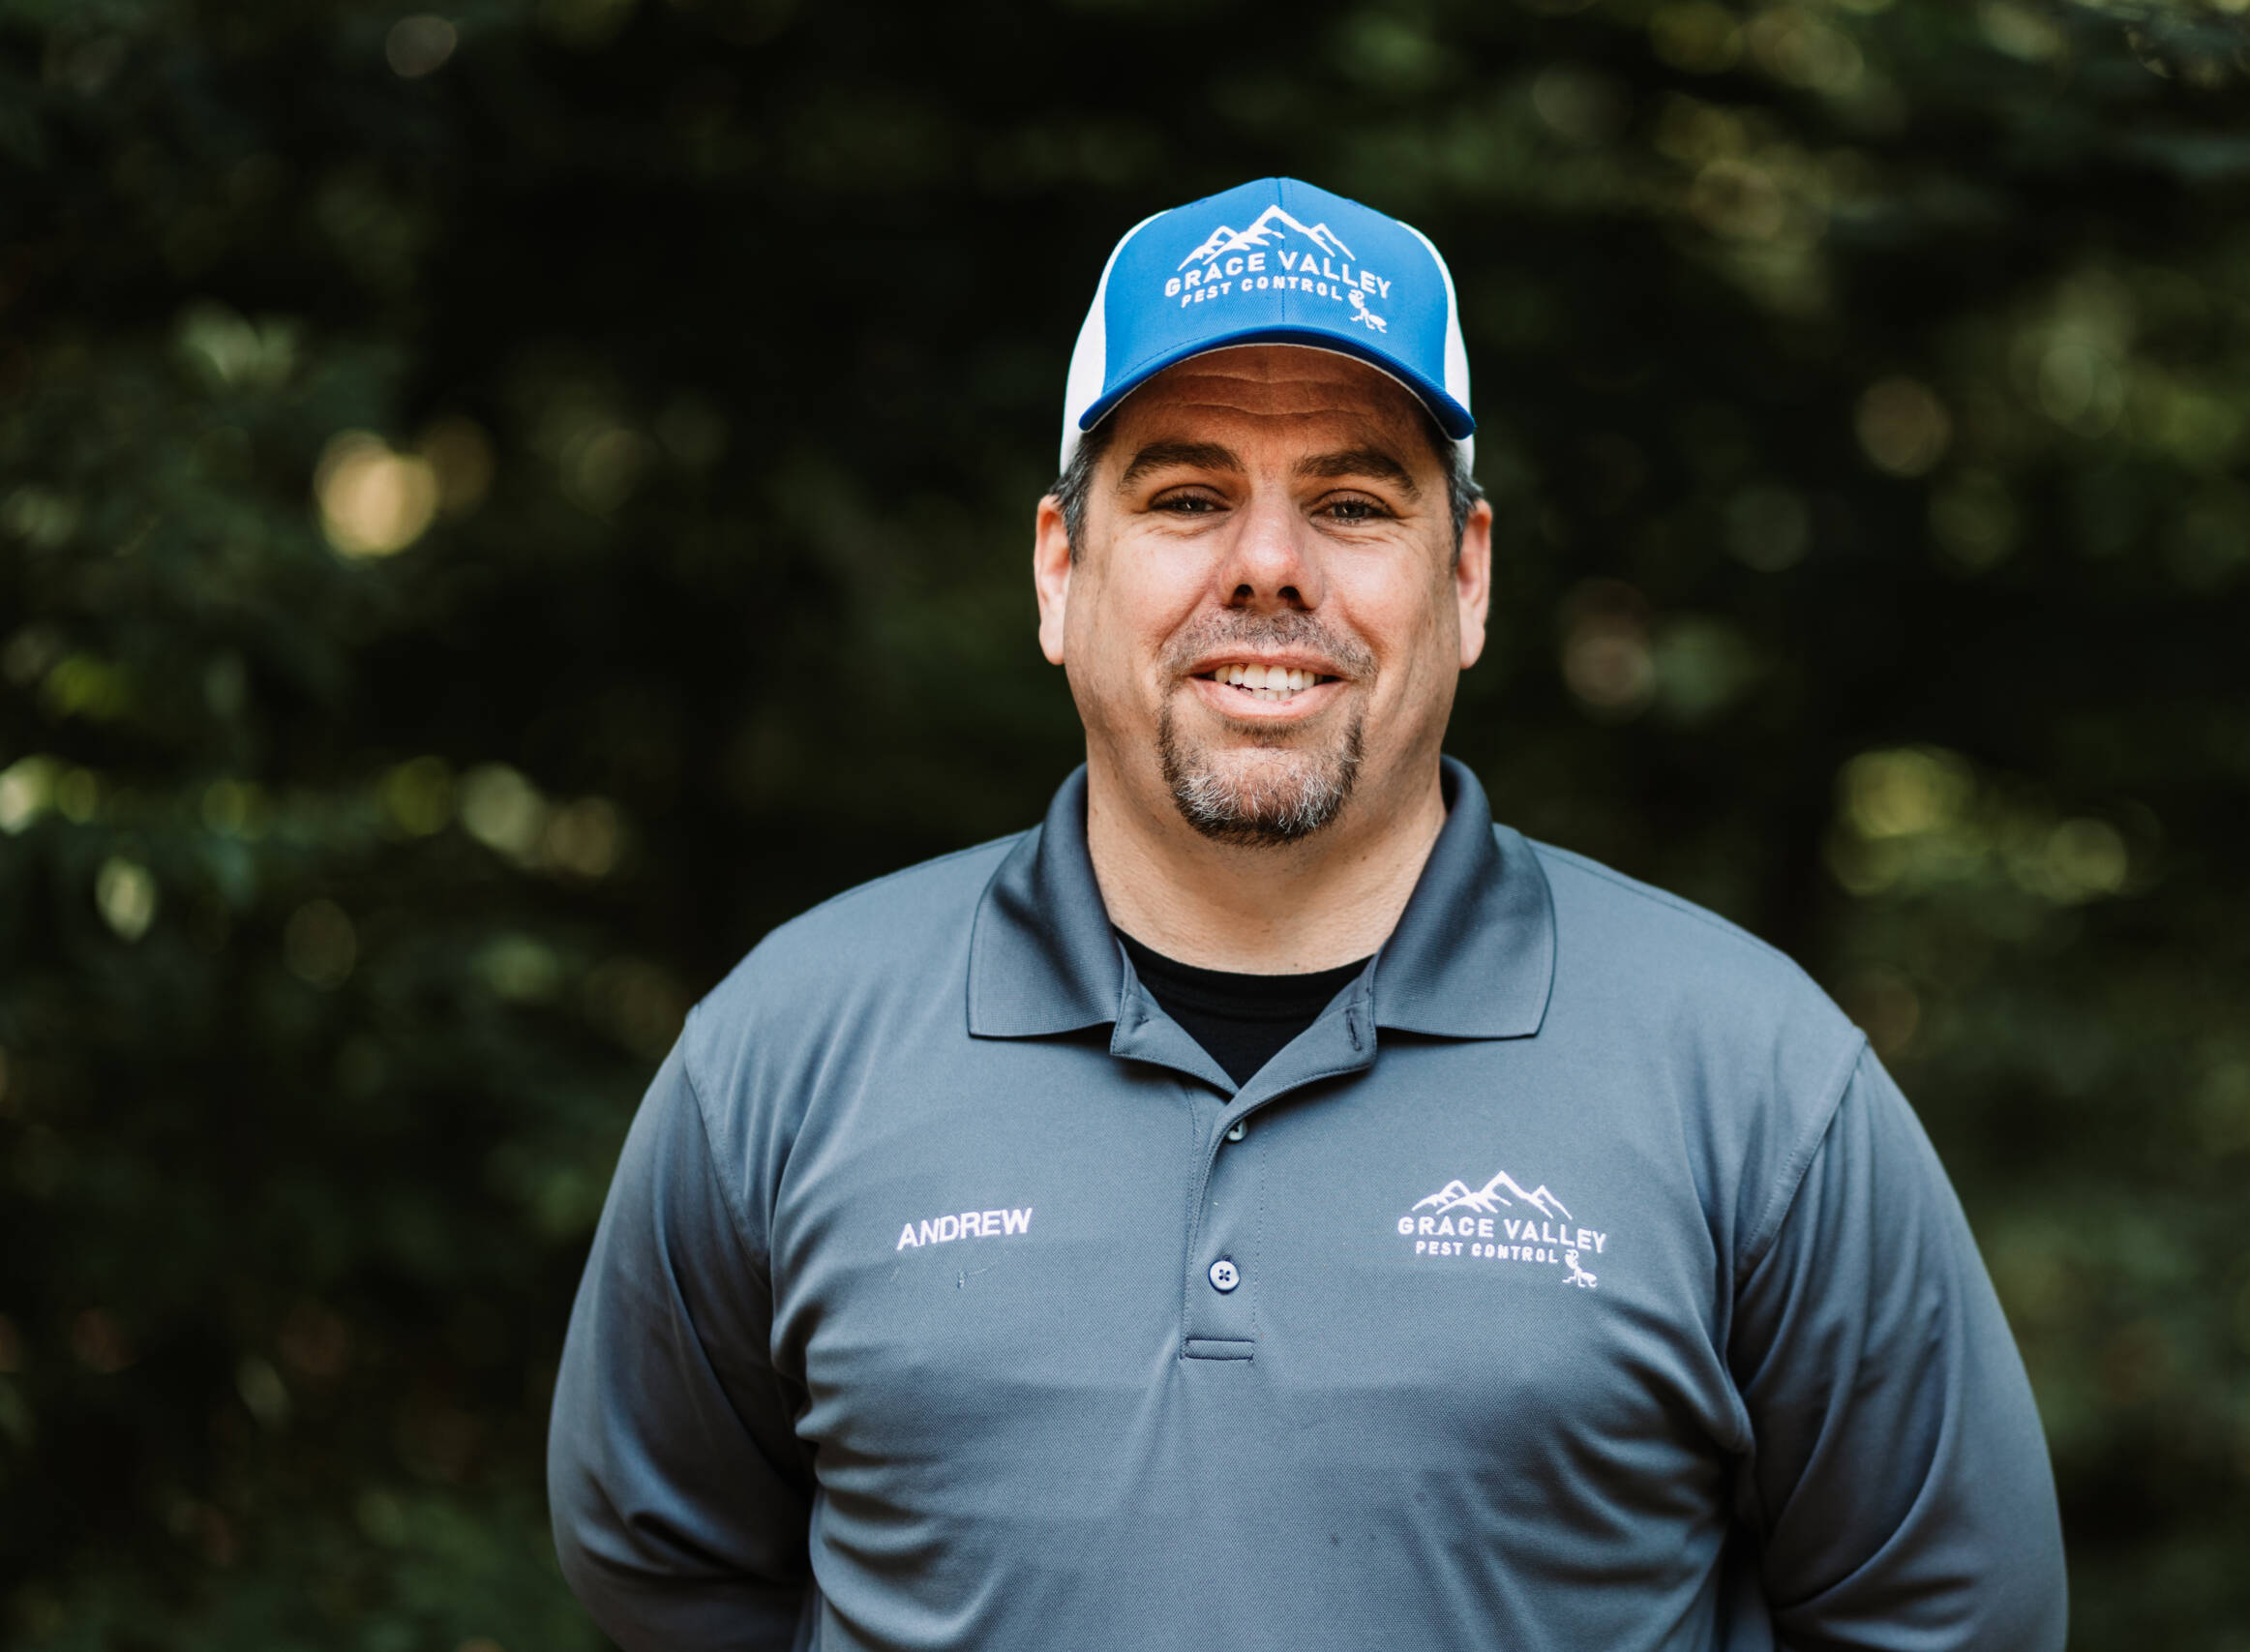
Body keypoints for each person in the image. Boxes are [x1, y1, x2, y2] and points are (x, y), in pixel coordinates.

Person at [548, 177, 2068, 1652]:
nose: (1268, 568)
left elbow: (1947, 1620)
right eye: (1189, 494)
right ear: (1061, 570)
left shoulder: (1751, 1081)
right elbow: (668, 1572)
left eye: (1349, 501)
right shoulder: (786, 1056)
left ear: (1466, 580)